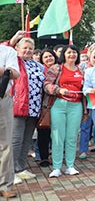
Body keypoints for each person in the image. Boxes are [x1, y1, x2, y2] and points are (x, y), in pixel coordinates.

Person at [44, 45, 87, 177]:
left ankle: (70, 165)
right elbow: (46, 85)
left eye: (74, 52)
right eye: (69, 52)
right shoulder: (56, 68)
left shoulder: (82, 70)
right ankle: (56, 167)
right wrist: (58, 90)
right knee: (57, 136)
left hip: (76, 106)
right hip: (59, 104)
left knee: (72, 136)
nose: (72, 55)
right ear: (64, 54)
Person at [12, 37, 46, 184]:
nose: (27, 50)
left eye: (30, 48)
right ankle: (10, 171)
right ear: (17, 49)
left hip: (34, 107)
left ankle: (20, 167)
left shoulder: (39, 66)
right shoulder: (14, 62)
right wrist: (14, 39)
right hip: (17, 107)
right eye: (24, 48)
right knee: (15, 140)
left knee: (27, 139)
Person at [0, 44, 21, 199]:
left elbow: (15, 73)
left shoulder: (8, 51)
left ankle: (5, 184)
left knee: (5, 144)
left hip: (3, 99)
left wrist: (4, 70)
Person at [36, 49, 58, 167]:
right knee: (43, 131)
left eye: (51, 56)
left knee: (57, 133)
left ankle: (56, 156)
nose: (49, 58)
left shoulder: (60, 69)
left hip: (59, 103)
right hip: (43, 105)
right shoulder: (40, 71)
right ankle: (44, 157)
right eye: (46, 57)